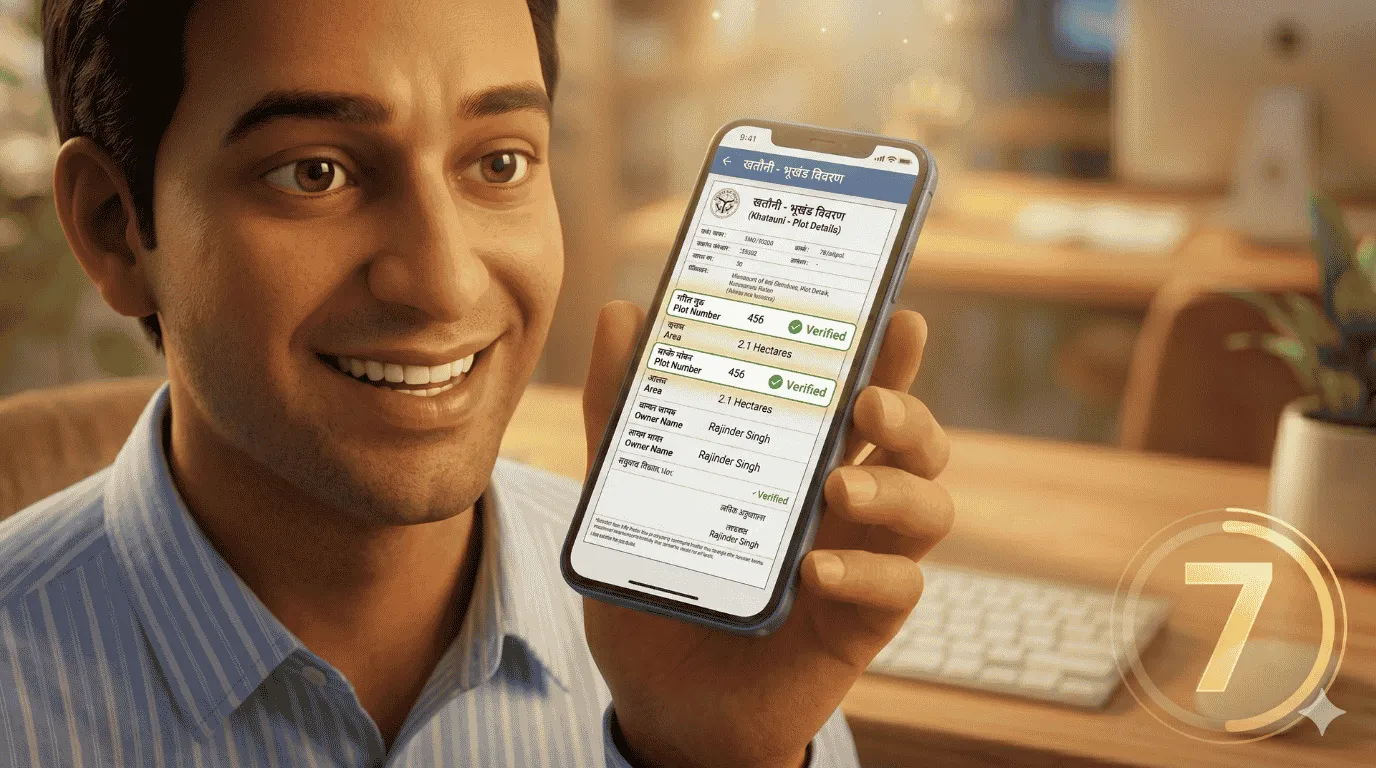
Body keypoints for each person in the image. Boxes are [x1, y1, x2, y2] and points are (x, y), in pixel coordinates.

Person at [0, 0, 954, 765]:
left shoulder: (708, 645)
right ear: (116, 228)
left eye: (499, 163)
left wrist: (700, 760)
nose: (446, 280)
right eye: (315, 173)